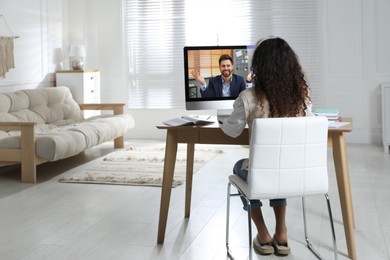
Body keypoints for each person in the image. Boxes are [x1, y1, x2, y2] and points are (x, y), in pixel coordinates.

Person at [220, 37, 314, 256]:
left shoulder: (248, 97)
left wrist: (225, 121)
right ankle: (281, 233)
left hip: (264, 174)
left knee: (242, 168)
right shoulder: (303, 97)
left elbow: (232, 131)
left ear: (259, 67)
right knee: (275, 169)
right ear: (291, 66)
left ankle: (262, 233)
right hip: (295, 174)